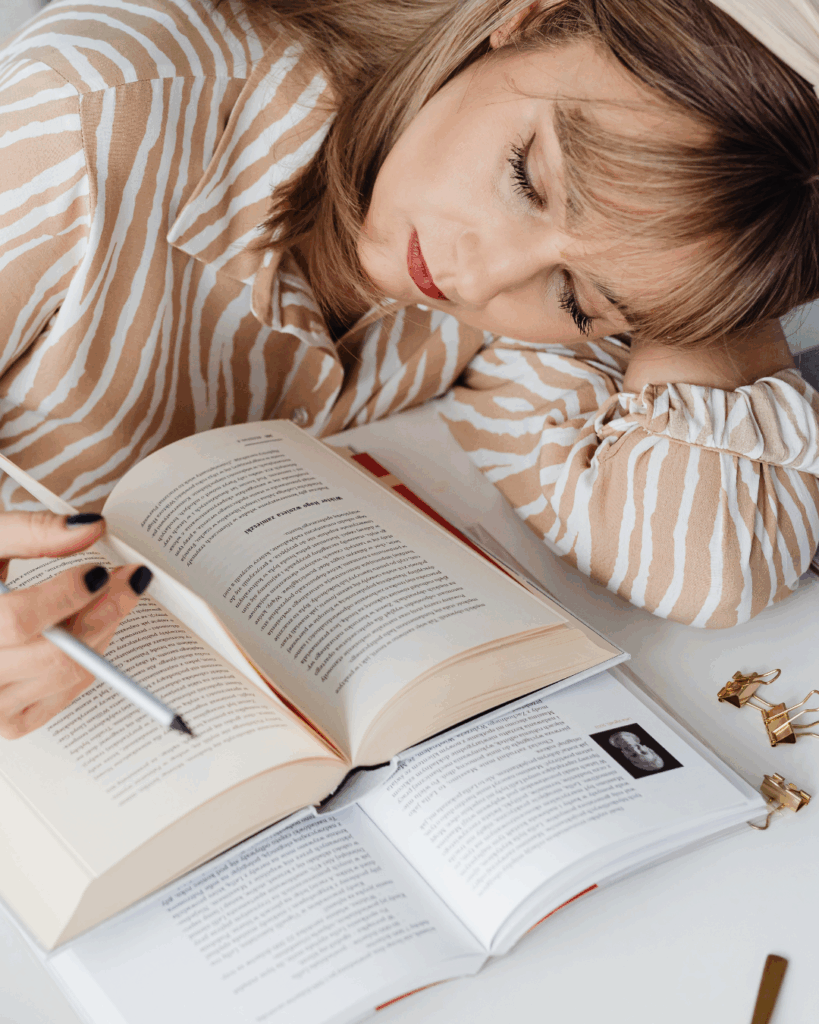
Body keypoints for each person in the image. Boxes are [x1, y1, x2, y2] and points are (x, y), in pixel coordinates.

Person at [1, 0, 818, 738]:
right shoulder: (84, 114)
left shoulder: (525, 308)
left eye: (576, 297)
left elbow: (704, 574)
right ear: (531, 16)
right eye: (526, 181)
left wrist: (713, 283)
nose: (482, 277)